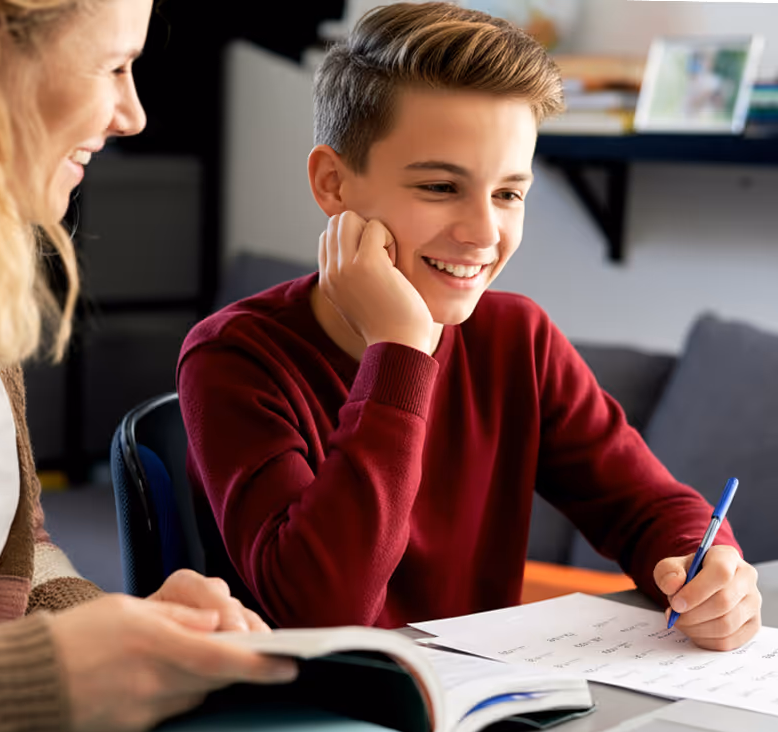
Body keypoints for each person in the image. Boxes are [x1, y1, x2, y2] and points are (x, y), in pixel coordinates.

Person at [178, 2, 761, 651]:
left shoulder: (517, 339)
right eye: (439, 186)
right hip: (321, 725)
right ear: (332, 183)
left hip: (488, 714)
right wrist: (398, 352)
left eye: (509, 193)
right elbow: (324, 610)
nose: (484, 233)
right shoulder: (232, 358)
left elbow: (646, 505)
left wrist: (711, 570)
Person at [0, 0, 297, 732]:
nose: (132, 114)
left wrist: (117, 632)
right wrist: (31, 678)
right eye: (113, 67)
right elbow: (0, 676)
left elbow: (15, 558)